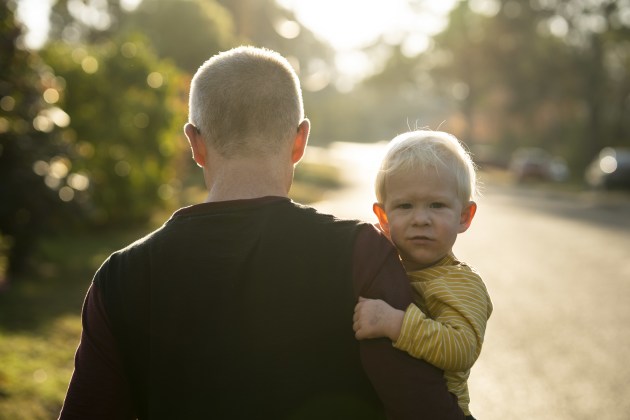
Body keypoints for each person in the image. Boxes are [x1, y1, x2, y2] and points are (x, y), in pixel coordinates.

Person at [58, 47, 465, 419]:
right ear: (300, 141)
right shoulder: (360, 253)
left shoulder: (120, 277)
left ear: (195, 144)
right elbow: (424, 407)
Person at [352, 130, 493, 420]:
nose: (421, 219)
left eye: (437, 205)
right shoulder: (385, 266)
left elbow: (461, 348)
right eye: (405, 206)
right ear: (384, 218)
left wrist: (395, 323)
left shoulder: (462, 283)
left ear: (464, 216)